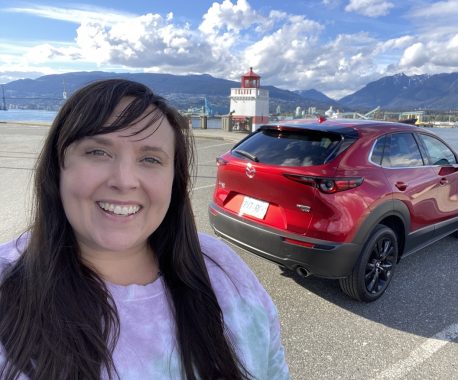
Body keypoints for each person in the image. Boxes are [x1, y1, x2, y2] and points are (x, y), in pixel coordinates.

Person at [0, 79, 290, 379]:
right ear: (56, 168)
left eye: (150, 159)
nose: (124, 180)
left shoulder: (223, 267)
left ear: (174, 182)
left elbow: (273, 366)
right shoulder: (7, 288)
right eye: (98, 152)